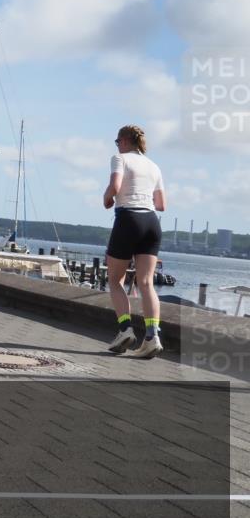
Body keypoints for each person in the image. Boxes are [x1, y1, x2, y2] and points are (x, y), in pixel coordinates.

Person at [102, 124, 167, 359]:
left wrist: (107, 198)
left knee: (115, 278)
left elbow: (115, 187)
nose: (117, 145)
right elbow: (161, 205)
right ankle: (152, 337)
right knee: (147, 282)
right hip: (151, 222)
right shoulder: (154, 166)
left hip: (128, 219)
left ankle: (125, 330)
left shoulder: (120, 158)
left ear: (126, 141)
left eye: (117, 141)